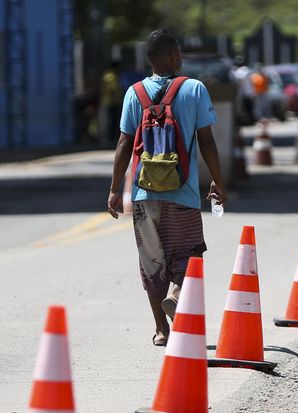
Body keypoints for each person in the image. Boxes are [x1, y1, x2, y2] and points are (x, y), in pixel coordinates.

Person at [107, 29, 227, 347]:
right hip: (182, 194)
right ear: (174, 56)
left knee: (151, 264)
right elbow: (206, 140)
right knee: (189, 254)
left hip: (143, 196)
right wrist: (218, 179)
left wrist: (115, 189)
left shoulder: (134, 93)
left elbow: (123, 143)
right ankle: (176, 292)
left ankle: (162, 331)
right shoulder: (194, 89)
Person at [100, 61, 123, 144]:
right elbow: (112, 89)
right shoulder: (111, 76)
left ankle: (110, 137)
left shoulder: (107, 75)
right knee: (113, 120)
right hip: (112, 102)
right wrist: (117, 99)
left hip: (108, 101)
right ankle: (112, 138)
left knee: (111, 120)